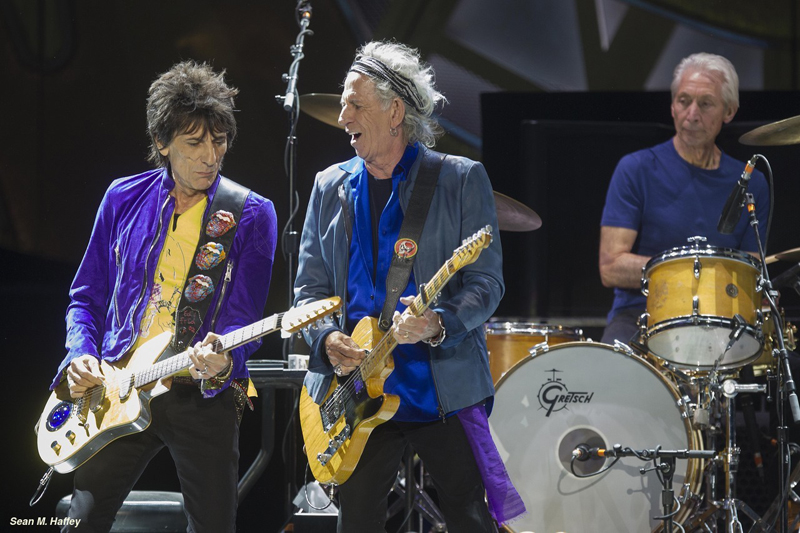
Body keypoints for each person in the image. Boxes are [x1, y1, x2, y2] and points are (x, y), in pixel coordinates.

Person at [293, 41, 524, 532]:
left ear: (395, 110)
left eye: (355, 103)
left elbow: (487, 282)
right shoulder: (328, 186)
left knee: (467, 514)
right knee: (357, 522)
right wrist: (326, 339)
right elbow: (308, 291)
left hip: (440, 385)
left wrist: (438, 323)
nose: (342, 113)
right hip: (356, 392)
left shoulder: (460, 179)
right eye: (343, 102)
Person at [51, 61, 278, 532]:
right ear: (162, 142)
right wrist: (80, 355)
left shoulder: (253, 214)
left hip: (201, 391)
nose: (210, 156)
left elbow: (244, 319)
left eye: (219, 141)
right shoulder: (121, 198)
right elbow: (86, 297)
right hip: (119, 384)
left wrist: (224, 359)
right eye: (194, 143)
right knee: (81, 520)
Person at [599, 52, 769, 344]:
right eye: (683, 101)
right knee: (611, 373)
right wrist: (690, 270)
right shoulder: (636, 169)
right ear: (672, 107)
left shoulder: (752, 182)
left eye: (705, 104)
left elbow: (751, 273)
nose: (692, 114)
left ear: (729, 111)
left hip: (722, 319)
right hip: (642, 315)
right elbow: (610, 268)